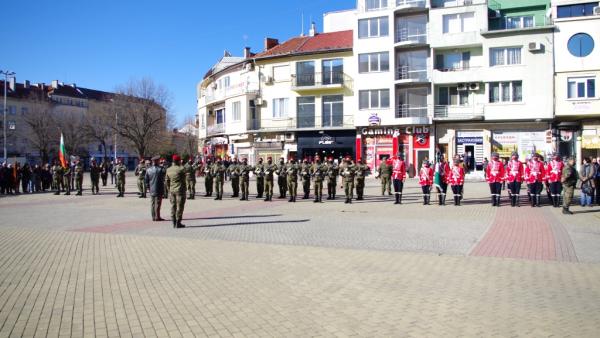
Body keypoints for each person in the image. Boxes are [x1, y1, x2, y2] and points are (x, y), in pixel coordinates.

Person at [166, 154, 187, 228]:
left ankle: (173, 221)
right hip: (180, 190)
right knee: (180, 206)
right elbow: (185, 176)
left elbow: (167, 181)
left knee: (173, 206)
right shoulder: (181, 169)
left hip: (172, 190)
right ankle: (178, 222)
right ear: (178, 161)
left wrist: (169, 189)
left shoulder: (168, 169)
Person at [145, 156, 166, 221]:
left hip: (152, 189)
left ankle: (153, 216)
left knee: (153, 203)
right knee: (158, 203)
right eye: (159, 160)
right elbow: (164, 174)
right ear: (157, 161)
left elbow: (146, 180)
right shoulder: (161, 169)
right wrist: (163, 165)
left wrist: (148, 187)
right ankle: (157, 216)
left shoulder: (148, 170)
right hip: (158, 188)